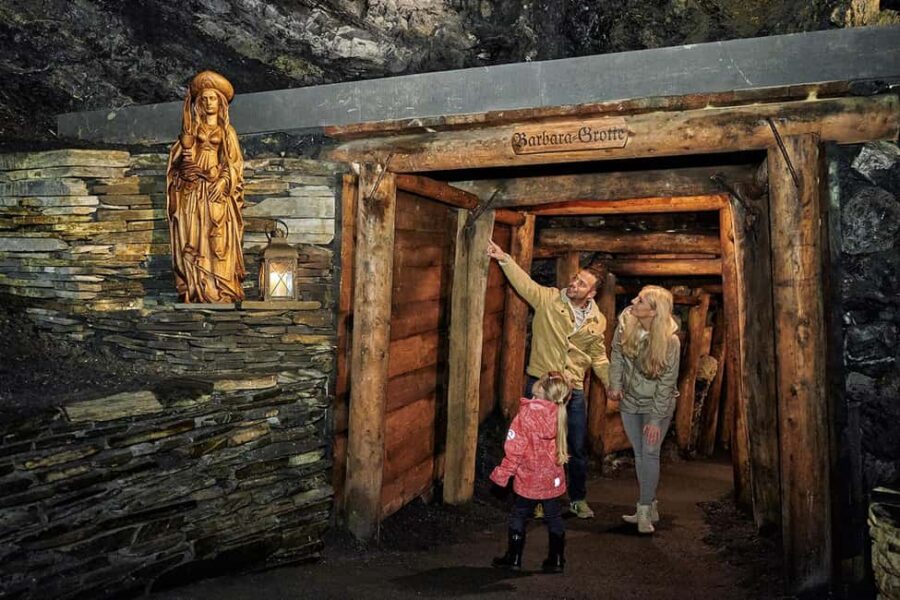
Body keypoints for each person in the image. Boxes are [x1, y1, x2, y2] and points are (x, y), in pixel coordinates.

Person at [487, 240, 609, 519]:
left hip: (572, 388)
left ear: (591, 294)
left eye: (581, 284)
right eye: (576, 278)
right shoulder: (549, 299)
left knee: (576, 446)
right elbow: (525, 284)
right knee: (535, 444)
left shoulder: (597, 321)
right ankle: (535, 498)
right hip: (541, 387)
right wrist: (503, 257)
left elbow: (598, 356)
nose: (574, 283)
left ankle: (577, 498)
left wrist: (612, 383)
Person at [166, 70, 246, 303]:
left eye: (213, 98)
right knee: (193, 234)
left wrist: (223, 181)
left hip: (215, 190)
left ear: (220, 102)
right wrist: (184, 169)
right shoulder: (191, 131)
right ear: (199, 103)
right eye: (204, 98)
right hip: (193, 191)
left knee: (217, 238)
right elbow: (177, 161)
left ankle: (219, 288)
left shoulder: (226, 132)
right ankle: (196, 286)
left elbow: (235, 164)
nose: (209, 102)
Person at [607, 285, 681, 534]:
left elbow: (667, 382)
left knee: (650, 452)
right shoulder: (626, 322)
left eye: (640, 301)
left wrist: (656, 419)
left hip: (656, 403)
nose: (633, 302)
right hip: (630, 399)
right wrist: (615, 385)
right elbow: (616, 354)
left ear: (653, 311)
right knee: (639, 453)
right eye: (636, 297)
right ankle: (650, 503)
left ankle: (644, 509)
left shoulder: (670, 340)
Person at [490, 371, 571, 573]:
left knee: (519, 514)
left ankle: (514, 558)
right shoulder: (559, 412)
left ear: (541, 388)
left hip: (529, 477)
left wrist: (503, 473)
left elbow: (514, 449)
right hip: (551, 477)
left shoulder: (525, 415)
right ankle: (557, 559)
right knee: (554, 517)